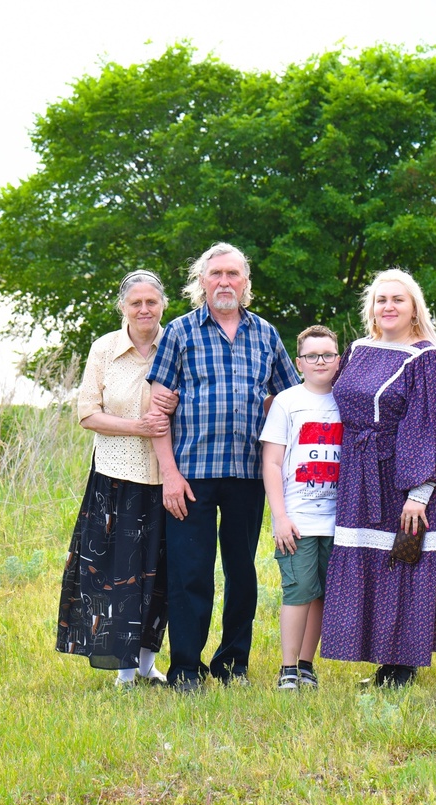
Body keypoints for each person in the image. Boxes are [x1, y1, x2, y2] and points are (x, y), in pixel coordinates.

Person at [147, 243, 301, 692]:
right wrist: (169, 474)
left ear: (246, 282)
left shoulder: (266, 335)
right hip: (191, 474)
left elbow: (289, 400)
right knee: (190, 573)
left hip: (249, 474)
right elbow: (158, 412)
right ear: (202, 282)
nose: (225, 282)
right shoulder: (178, 333)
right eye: (215, 274)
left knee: (241, 571)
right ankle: (186, 669)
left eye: (233, 274)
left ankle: (232, 663)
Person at [318, 270, 436, 688]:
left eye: (398, 299)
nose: (389, 307)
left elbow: (435, 427)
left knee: (403, 558)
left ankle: (402, 666)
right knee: (369, 562)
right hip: (358, 475)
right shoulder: (360, 350)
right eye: (382, 299)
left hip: (404, 478)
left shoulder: (427, 359)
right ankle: (382, 659)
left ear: (414, 306)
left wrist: (419, 493)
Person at [56, 269, 175, 687]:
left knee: (160, 573)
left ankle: (146, 663)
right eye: (135, 303)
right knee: (117, 574)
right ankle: (123, 670)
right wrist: (138, 427)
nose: (144, 309)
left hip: (168, 478)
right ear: (123, 307)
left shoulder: (178, 342)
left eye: (152, 302)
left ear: (163, 304)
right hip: (116, 477)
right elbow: (88, 413)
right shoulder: (104, 348)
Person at [260, 325, 343, 690]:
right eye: (312, 356)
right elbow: (272, 463)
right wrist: (280, 516)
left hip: (338, 520)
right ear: (299, 363)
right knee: (299, 590)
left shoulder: (346, 401)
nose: (320, 361)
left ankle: (307, 664)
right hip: (298, 519)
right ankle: (287, 668)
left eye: (327, 355)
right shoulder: (288, 402)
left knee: (322, 591)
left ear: (338, 361)